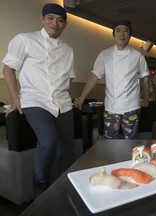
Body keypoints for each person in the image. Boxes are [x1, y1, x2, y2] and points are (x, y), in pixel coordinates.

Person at [2, 3, 76, 196]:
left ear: (65, 25)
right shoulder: (25, 40)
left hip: (63, 103)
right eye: (50, 18)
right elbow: (8, 69)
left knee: (67, 148)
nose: (55, 23)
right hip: (35, 100)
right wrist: (15, 99)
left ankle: (64, 187)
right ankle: (41, 182)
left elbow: (67, 78)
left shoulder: (68, 49)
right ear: (42, 19)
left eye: (60, 20)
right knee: (49, 140)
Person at [74, 19, 150, 139]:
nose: (122, 34)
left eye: (126, 31)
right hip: (111, 106)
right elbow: (94, 76)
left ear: (130, 35)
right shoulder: (105, 55)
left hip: (132, 106)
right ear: (113, 34)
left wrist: (145, 98)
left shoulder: (138, 56)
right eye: (118, 30)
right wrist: (82, 97)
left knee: (130, 142)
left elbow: (145, 78)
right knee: (110, 141)